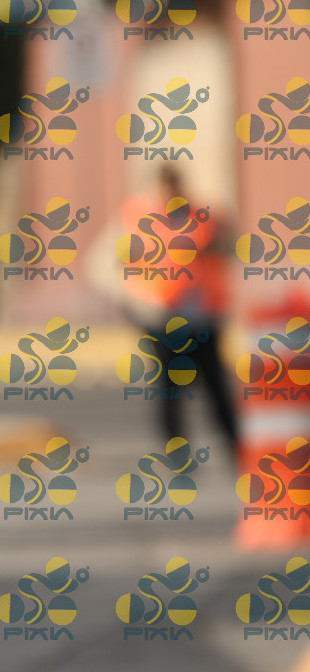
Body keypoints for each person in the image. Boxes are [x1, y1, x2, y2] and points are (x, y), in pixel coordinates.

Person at [114, 161, 238, 454]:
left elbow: (228, 247)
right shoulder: (138, 218)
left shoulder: (203, 217)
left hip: (200, 316)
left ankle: (237, 449)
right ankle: (178, 454)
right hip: (161, 318)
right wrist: (132, 305)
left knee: (216, 389)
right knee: (169, 391)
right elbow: (116, 260)